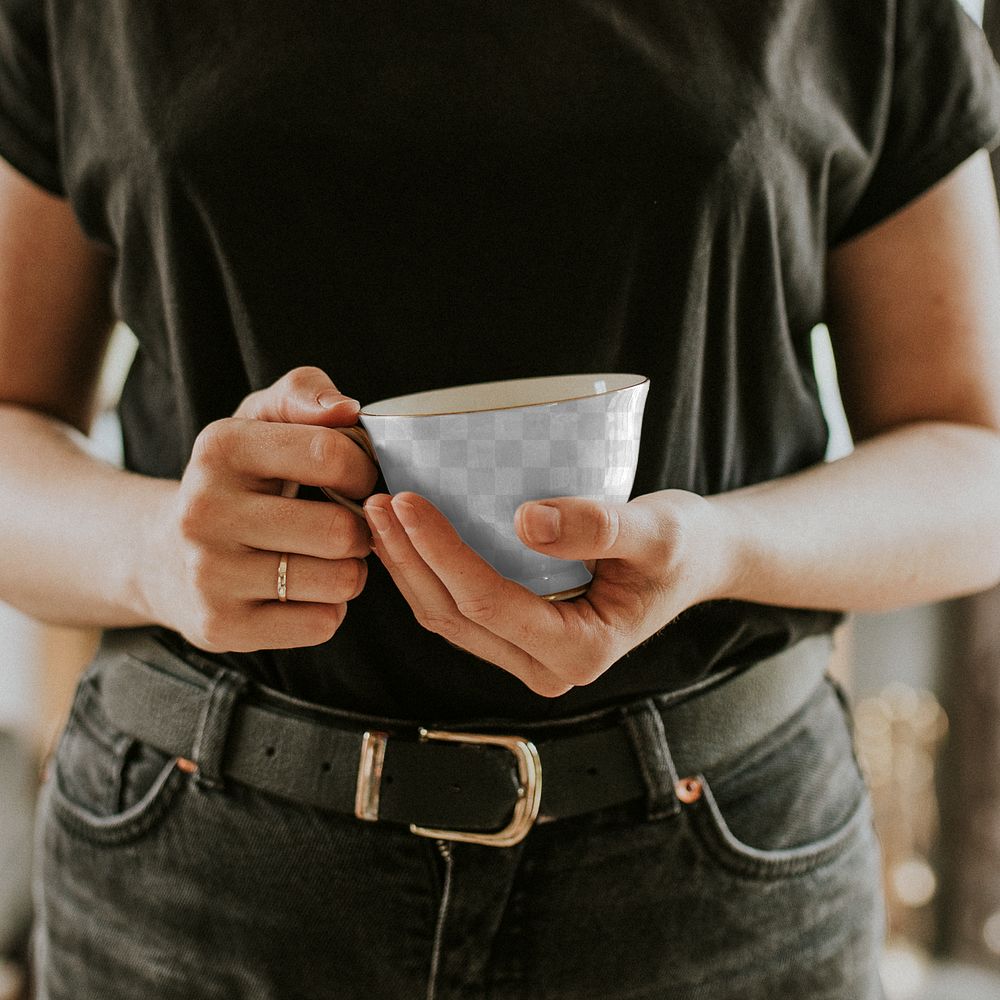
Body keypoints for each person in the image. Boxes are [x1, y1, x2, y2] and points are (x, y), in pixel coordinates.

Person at [2, 0, 1000, 997]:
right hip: (198, 885)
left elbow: (973, 453)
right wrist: (155, 552)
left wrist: (723, 548)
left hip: (716, 889)